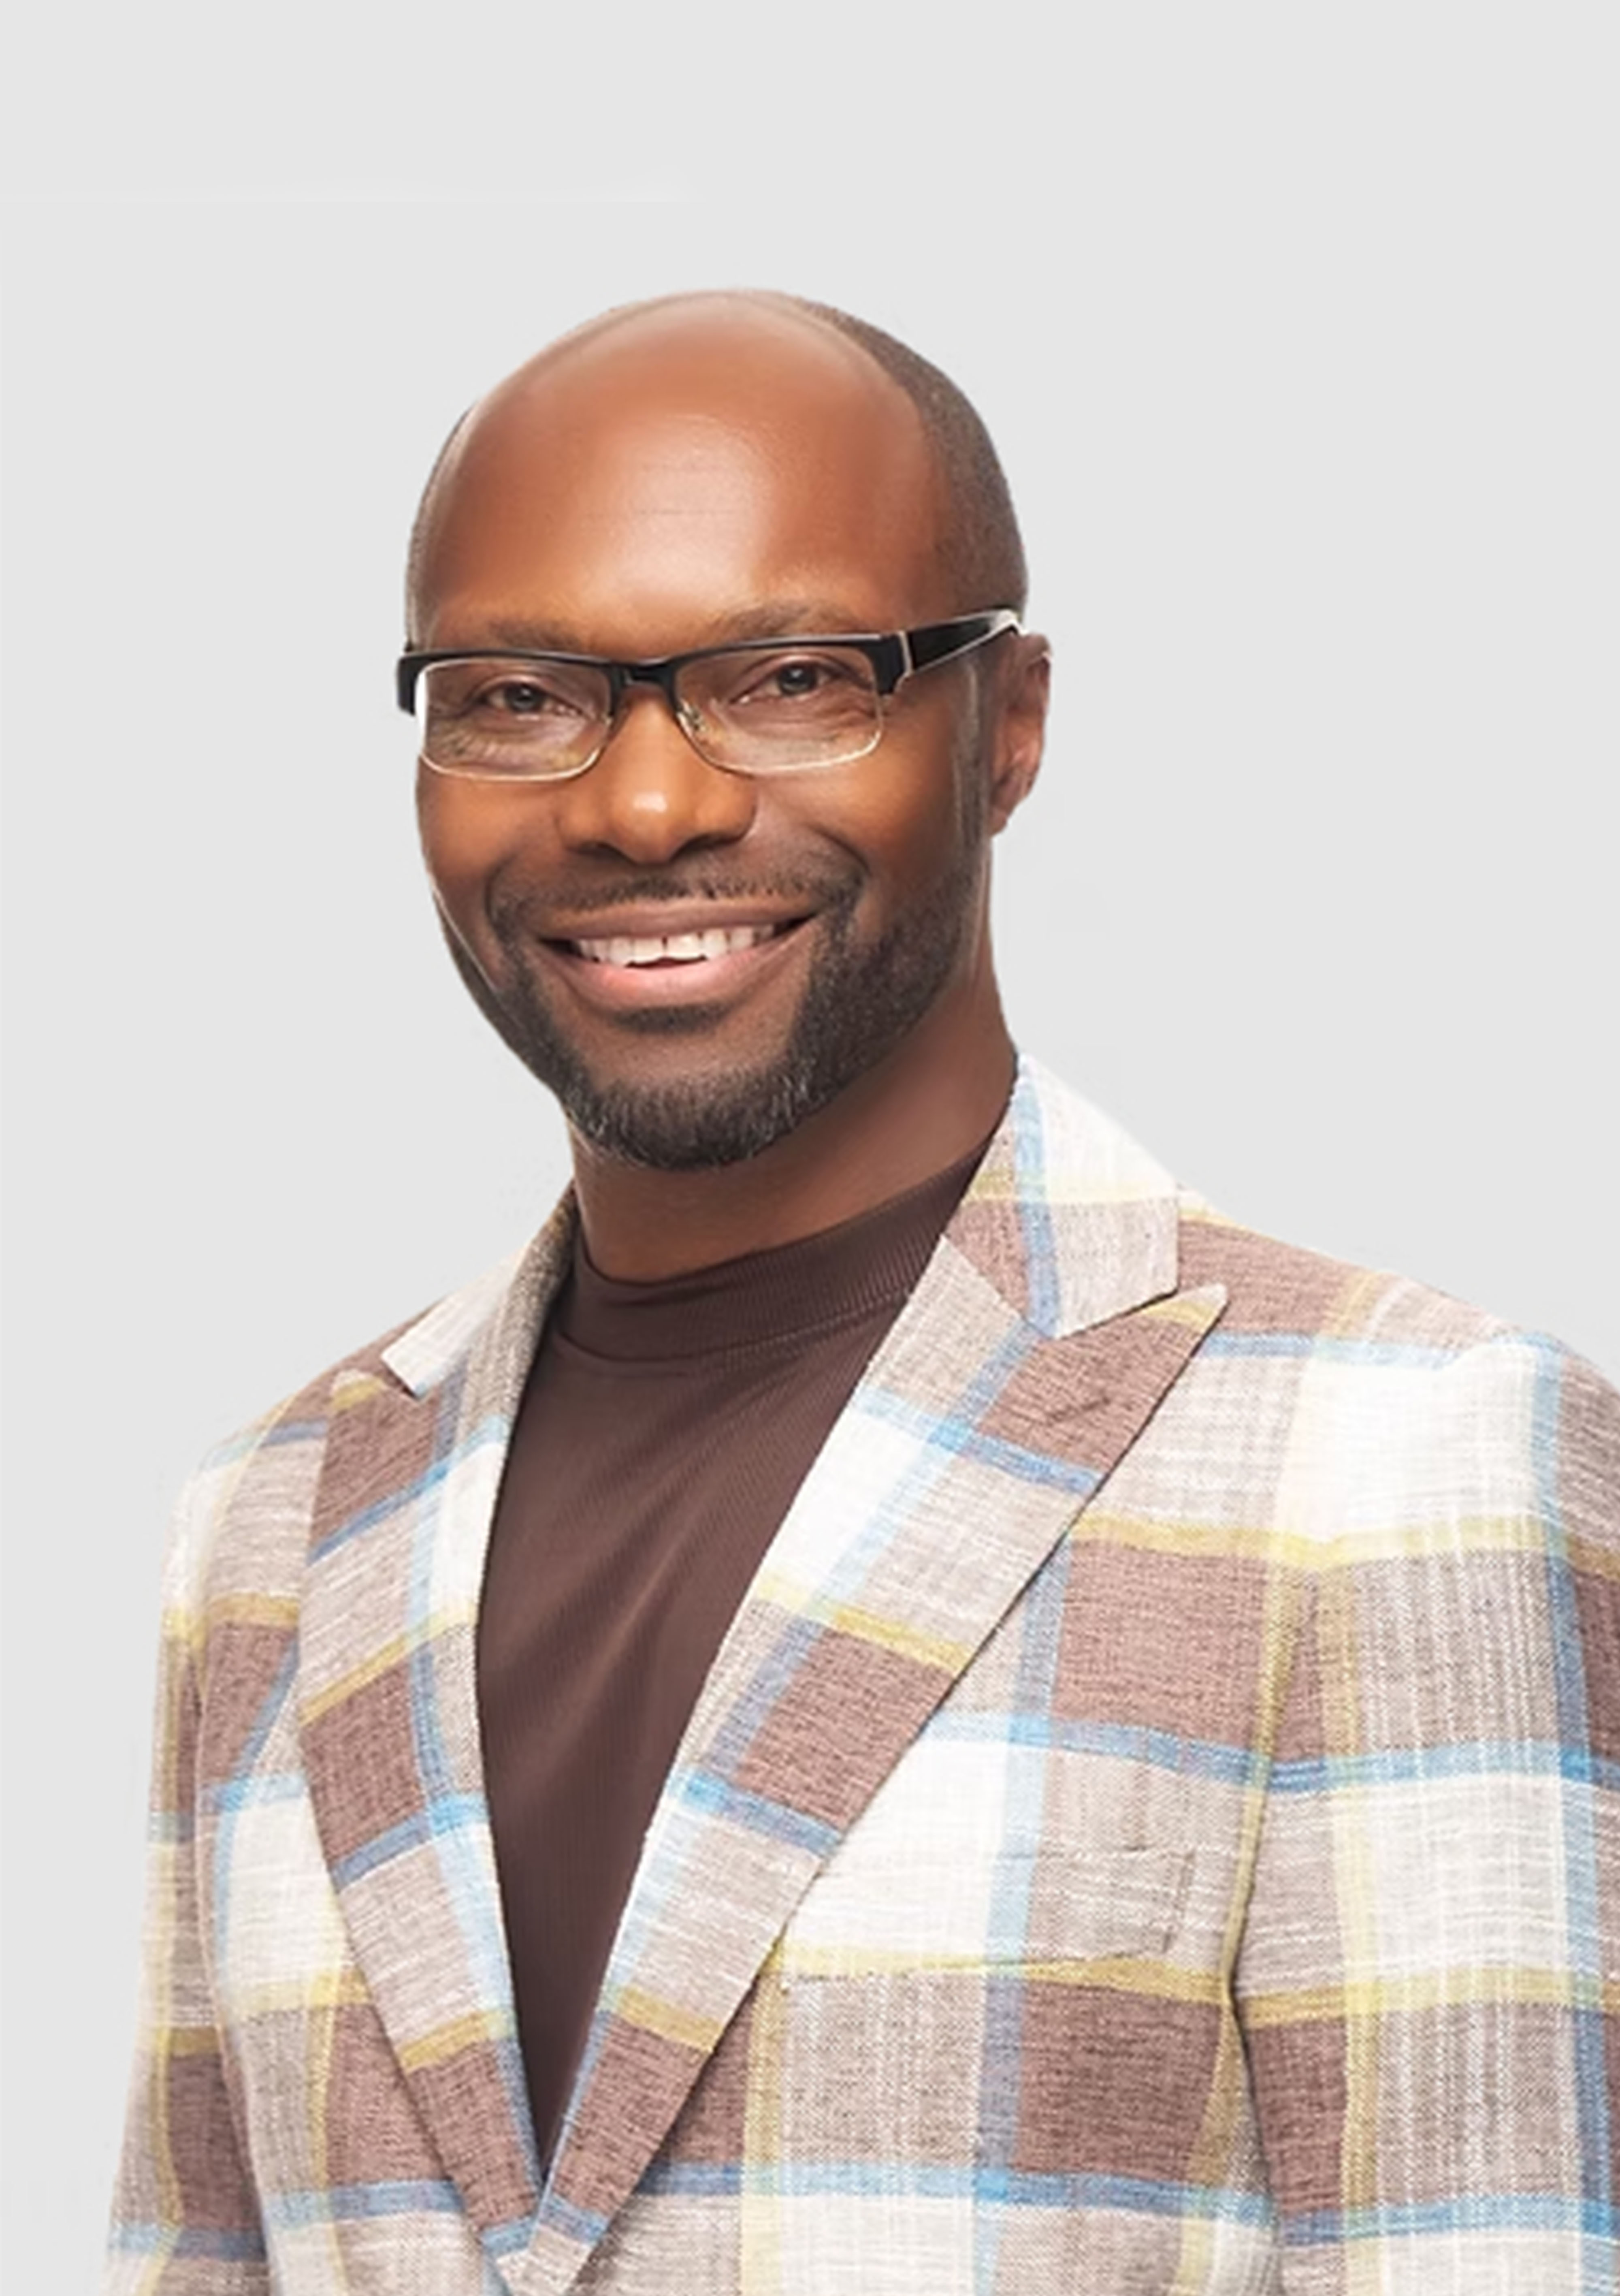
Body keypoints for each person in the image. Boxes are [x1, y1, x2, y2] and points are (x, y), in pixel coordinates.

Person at [107, 291, 1620, 2296]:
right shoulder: (277, 1525)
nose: (644, 807)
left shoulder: (1394, 1453)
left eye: (795, 676)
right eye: (517, 695)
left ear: (1009, 728)